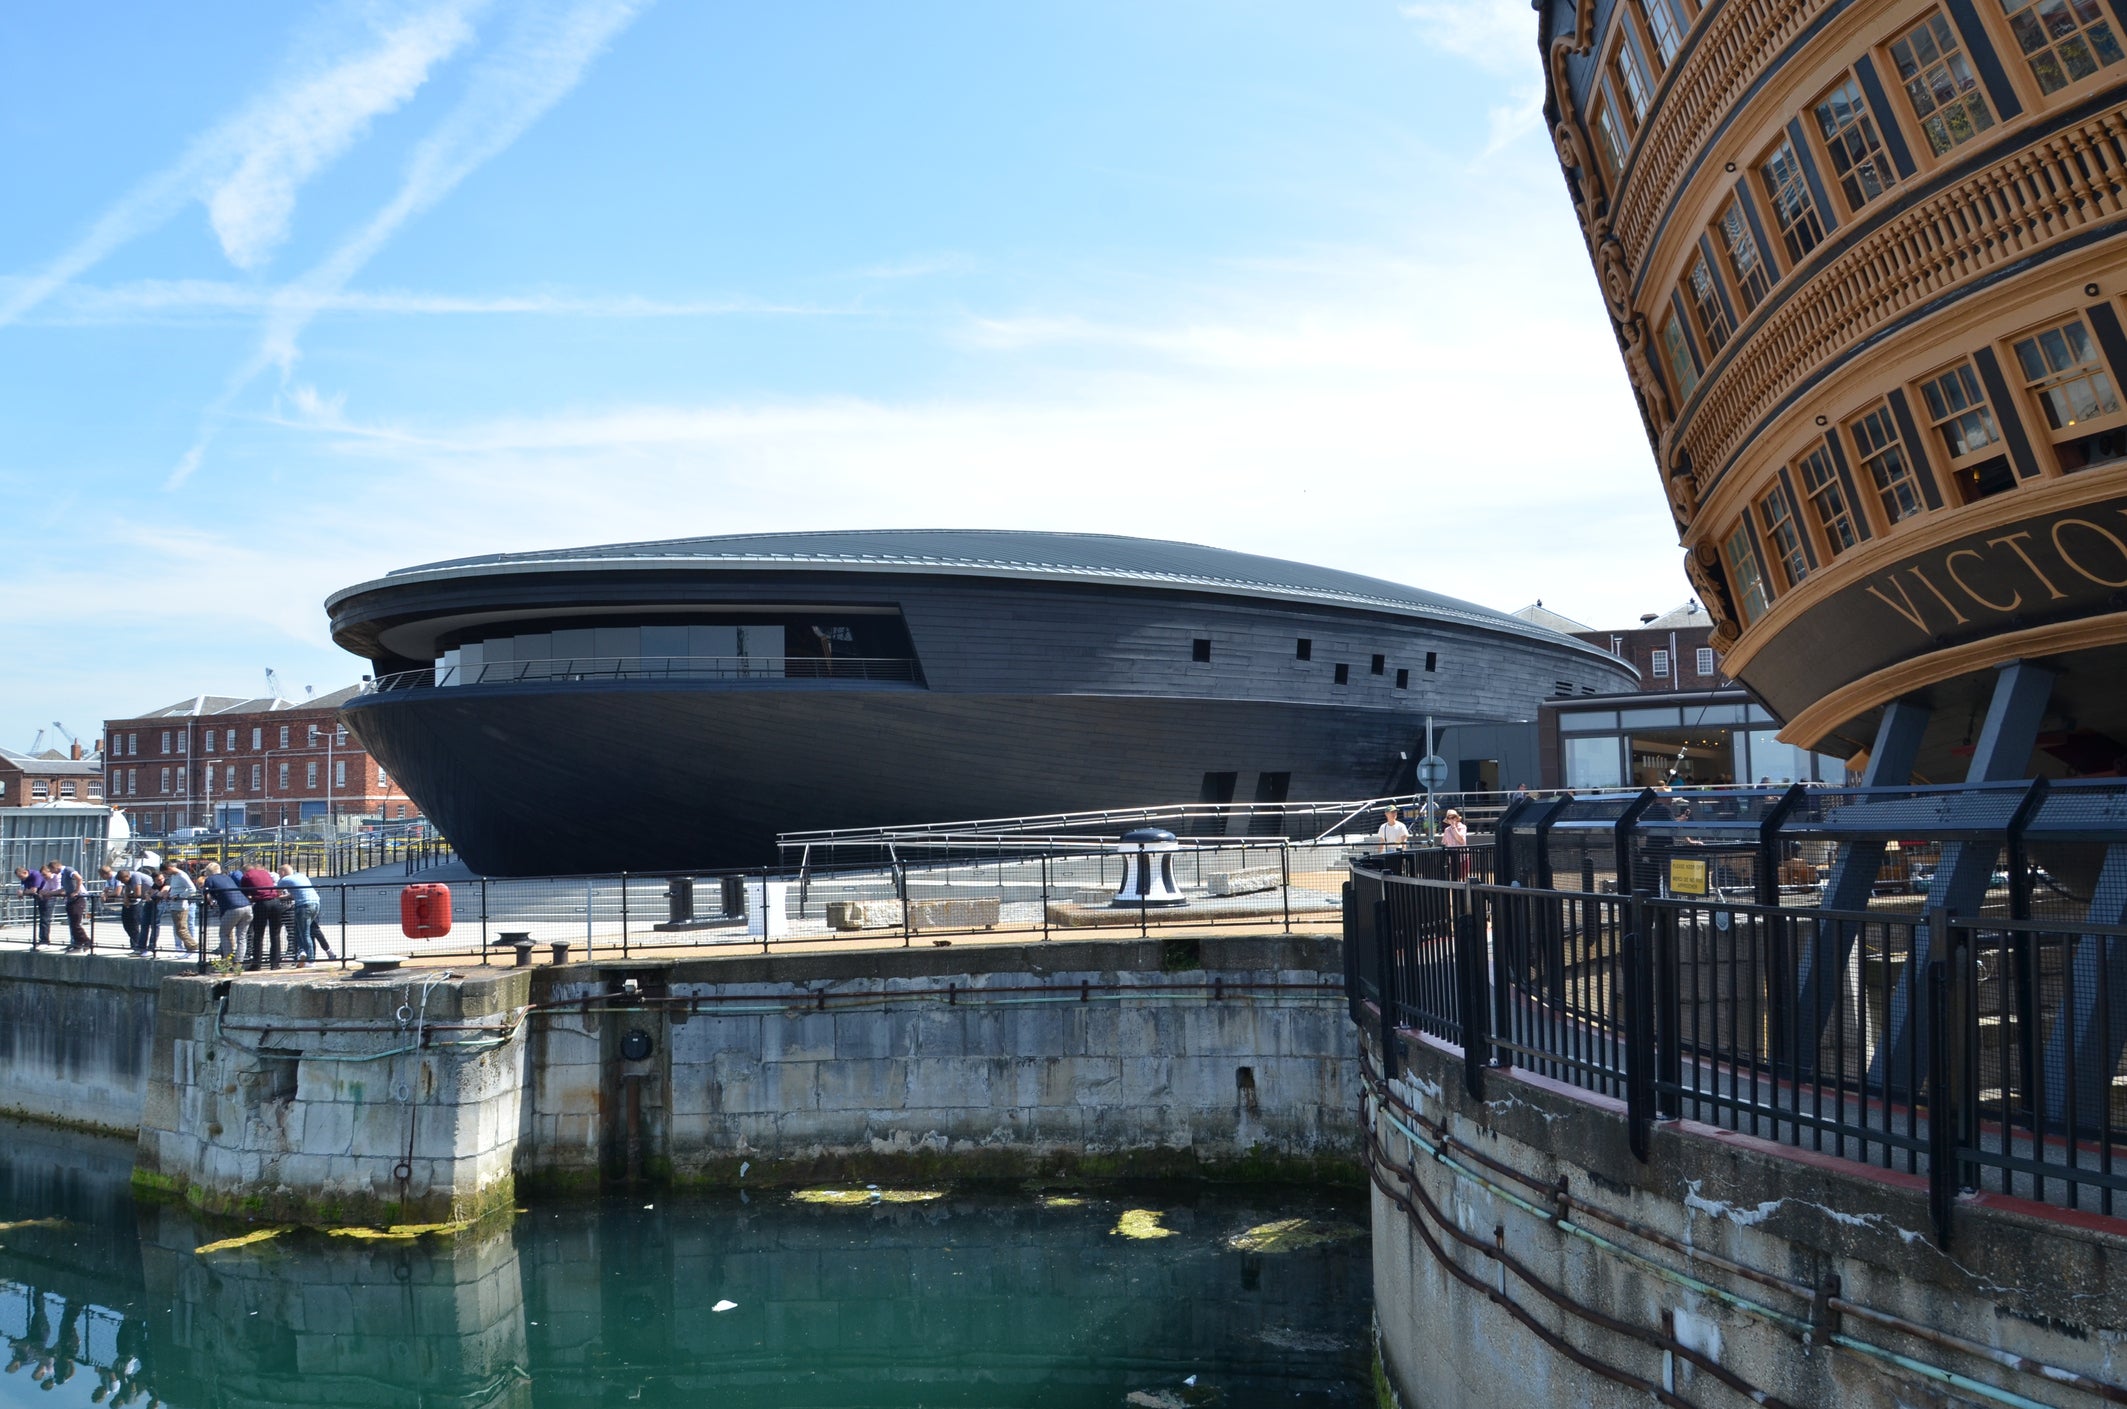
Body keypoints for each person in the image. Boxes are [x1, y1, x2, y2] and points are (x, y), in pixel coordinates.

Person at [238, 860, 288, 970]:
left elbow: (244, 893)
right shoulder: (265, 872)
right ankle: (275, 964)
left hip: (261, 904)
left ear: (244, 870)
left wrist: (251, 897)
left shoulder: (247, 876)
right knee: (275, 934)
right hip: (275, 902)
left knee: (258, 934)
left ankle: (257, 964)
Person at [200, 862, 250, 960]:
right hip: (247, 906)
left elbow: (206, 894)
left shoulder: (210, 879)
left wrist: (210, 903)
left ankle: (228, 959)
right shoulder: (228, 877)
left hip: (232, 908)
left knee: (224, 934)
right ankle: (238, 962)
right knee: (241, 937)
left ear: (208, 872)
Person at [277, 865, 320, 965]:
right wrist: (286, 896)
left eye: (279, 873)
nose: (279, 875)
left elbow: (276, 894)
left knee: (304, 933)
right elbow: (295, 893)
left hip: (303, 906)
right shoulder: (301, 876)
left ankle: (310, 959)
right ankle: (302, 952)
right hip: (316, 903)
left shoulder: (284, 879)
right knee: (299, 930)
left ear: (283, 872)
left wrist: (279, 897)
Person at [158, 862, 199, 953]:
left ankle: (193, 947)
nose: (166, 875)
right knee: (179, 930)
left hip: (181, 907)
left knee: (181, 930)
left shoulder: (182, 875)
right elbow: (174, 888)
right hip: (174, 906)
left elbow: (193, 889)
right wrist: (169, 894)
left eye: (165, 872)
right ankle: (189, 949)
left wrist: (179, 896)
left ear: (169, 868)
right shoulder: (174, 876)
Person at [56, 862, 90, 951]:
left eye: (52, 870)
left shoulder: (68, 870)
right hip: (71, 900)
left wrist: (76, 891)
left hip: (78, 899)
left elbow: (79, 878)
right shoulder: (63, 874)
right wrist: (50, 893)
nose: (53, 873)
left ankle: (87, 941)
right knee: (72, 923)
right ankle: (77, 942)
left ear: (55, 867)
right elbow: (64, 889)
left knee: (75, 923)